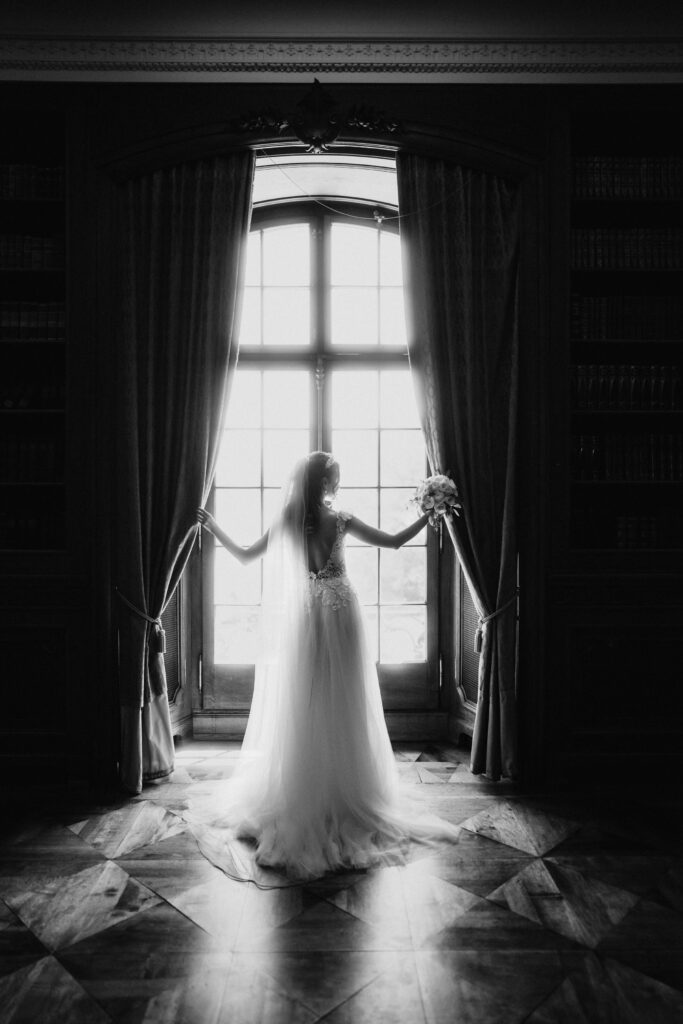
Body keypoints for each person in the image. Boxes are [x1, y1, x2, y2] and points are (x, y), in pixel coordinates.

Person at [191, 450, 458, 882]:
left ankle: (307, 791)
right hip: (340, 611)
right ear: (327, 482)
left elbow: (242, 555)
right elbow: (393, 542)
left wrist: (212, 524)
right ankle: (347, 790)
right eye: (336, 477)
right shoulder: (342, 519)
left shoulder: (289, 519)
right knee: (344, 702)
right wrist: (431, 515)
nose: (338, 483)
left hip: (305, 617)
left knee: (305, 702)